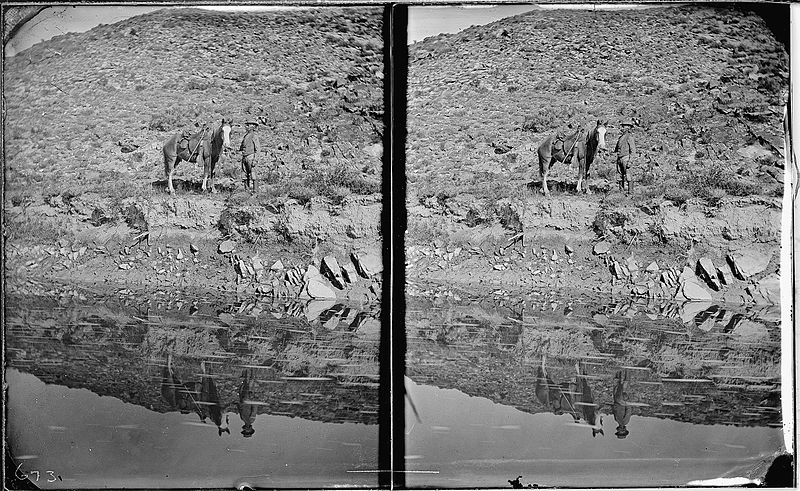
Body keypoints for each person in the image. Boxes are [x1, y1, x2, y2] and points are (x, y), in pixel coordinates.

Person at [615, 120, 637, 193]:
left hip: (626, 158)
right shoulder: (620, 137)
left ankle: (630, 192)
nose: (622, 128)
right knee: (620, 176)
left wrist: (630, 161)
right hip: (619, 158)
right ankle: (621, 192)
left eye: (624, 126)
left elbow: (633, 150)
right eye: (623, 126)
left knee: (629, 176)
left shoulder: (629, 138)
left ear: (628, 127)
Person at [240, 121, 261, 192]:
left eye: (248, 125)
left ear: (253, 126)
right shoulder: (245, 136)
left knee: (253, 175)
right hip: (244, 157)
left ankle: (255, 192)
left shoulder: (254, 136)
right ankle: (247, 191)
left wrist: (255, 160)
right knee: (245, 176)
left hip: (251, 157)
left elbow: (257, 149)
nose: (246, 126)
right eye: (246, 125)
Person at [613, 369, 633, 439]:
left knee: (616, 385)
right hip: (622, 400)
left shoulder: (616, 420)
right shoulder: (625, 421)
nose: (621, 430)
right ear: (624, 429)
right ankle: (627, 368)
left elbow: (615, 411)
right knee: (625, 384)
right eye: (622, 431)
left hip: (616, 400)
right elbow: (628, 410)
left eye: (619, 432)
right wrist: (626, 400)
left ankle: (618, 368)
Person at [238, 369, 257, 437]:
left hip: (243, 398)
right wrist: (252, 399)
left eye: (245, 431)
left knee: (244, 384)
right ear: (250, 429)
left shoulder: (243, 419)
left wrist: (239, 403)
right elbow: (254, 408)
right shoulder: (251, 419)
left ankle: (245, 369)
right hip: (249, 397)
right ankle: (252, 368)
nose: (246, 430)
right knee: (250, 383)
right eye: (247, 431)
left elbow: (240, 409)